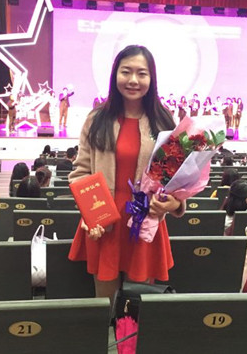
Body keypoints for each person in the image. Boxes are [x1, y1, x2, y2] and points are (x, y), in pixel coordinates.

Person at [68, 45, 185, 304]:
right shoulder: (96, 119)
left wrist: (174, 203)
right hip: (104, 222)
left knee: (136, 308)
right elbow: (80, 173)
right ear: (115, 75)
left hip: (145, 224)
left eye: (142, 73)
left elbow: (176, 180)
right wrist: (90, 214)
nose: (133, 80)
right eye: (126, 72)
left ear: (151, 79)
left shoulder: (164, 122)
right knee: (106, 305)